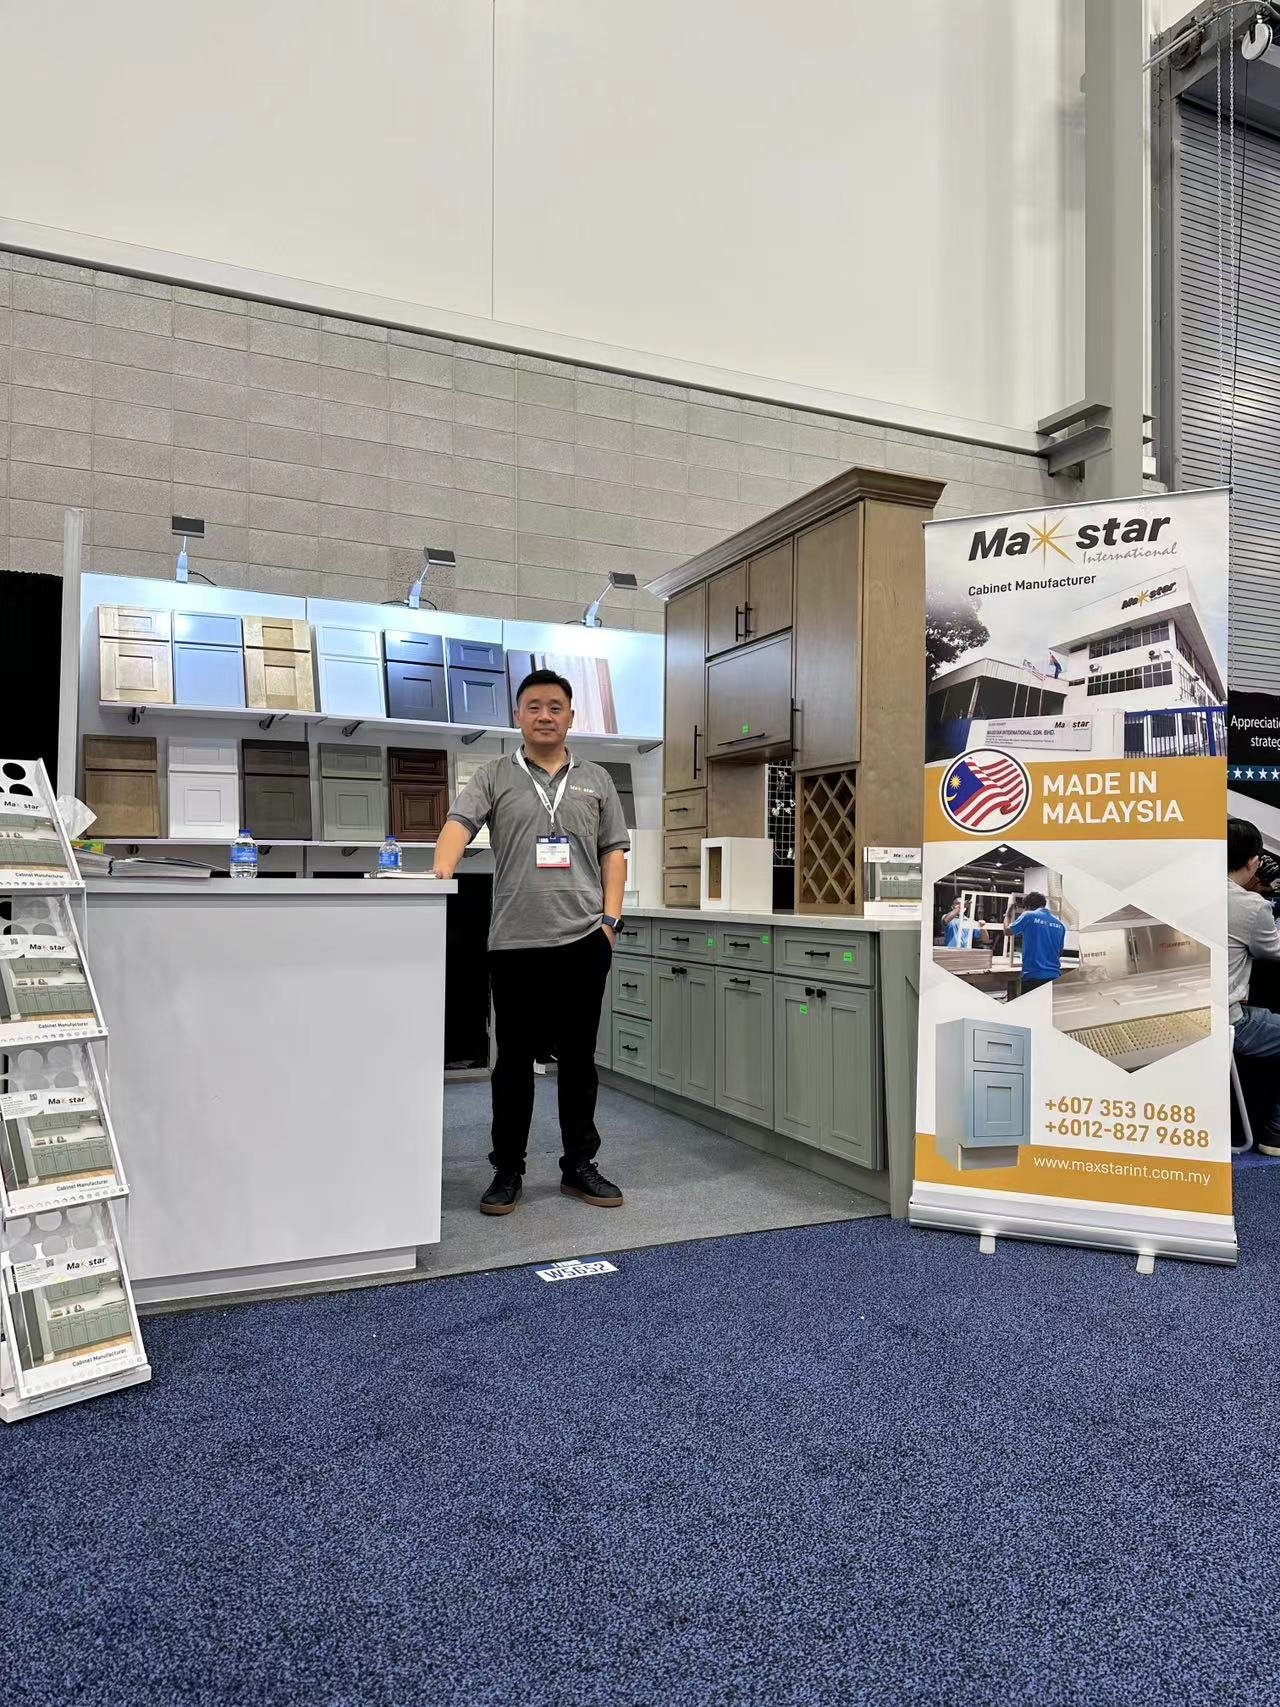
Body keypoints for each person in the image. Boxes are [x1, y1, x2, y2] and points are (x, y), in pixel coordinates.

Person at [433, 669, 631, 1215]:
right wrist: (440, 873)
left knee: (579, 1061)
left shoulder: (596, 778)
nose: (545, 716)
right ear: (517, 716)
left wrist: (610, 921)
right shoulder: (494, 774)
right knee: (513, 1063)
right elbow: (458, 823)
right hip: (515, 943)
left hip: (583, 939)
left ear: (571, 716)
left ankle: (579, 1166)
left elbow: (615, 852)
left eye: (556, 707)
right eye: (534, 707)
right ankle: (507, 1170)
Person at [1227, 816, 1280, 1155]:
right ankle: (1275, 1132)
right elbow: (1273, 950)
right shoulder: (1251, 906)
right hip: (1228, 1021)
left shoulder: (1184, 888)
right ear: (1252, 862)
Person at [1005, 891, 1065, 994]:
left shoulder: (1028, 916)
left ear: (1027, 906)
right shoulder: (1060, 925)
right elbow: (1059, 952)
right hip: (1054, 976)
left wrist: (1007, 914)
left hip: (1033, 976)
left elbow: (1007, 931)